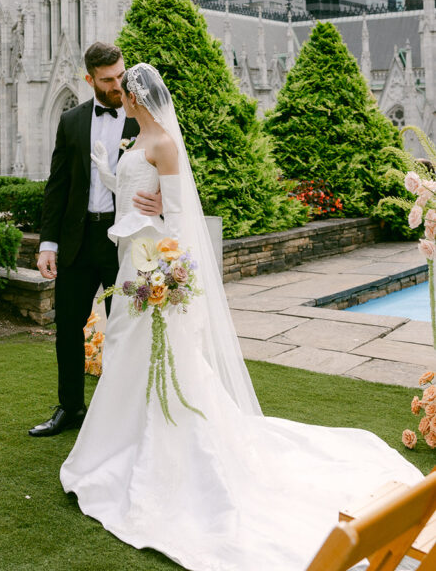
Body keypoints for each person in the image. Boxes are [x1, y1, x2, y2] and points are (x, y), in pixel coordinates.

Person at [60, 62, 423, 571]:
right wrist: (107, 169)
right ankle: (125, 439)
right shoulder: (133, 140)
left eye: (129, 91)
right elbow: (128, 193)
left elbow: (182, 216)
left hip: (153, 264)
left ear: (141, 98)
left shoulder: (163, 142)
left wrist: (165, 255)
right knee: (126, 350)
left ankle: (163, 448)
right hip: (129, 259)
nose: (123, 96)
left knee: (151, 353)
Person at [28, 43, 162, 438]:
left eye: (120, 75)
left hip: (125, 242)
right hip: (77, 240)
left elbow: (174, 174)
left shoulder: (145, 119)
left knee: (130, 326)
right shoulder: (71, 121)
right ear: (90, 80)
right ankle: (70, 408)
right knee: (67, 325)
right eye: (107, 80)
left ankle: (129, 412)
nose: (118, 85)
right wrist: (47, 244)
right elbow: (57, 186)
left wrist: (162, 203)